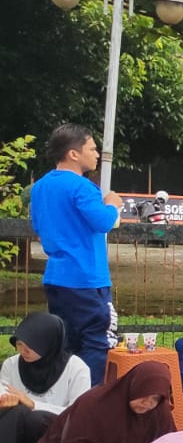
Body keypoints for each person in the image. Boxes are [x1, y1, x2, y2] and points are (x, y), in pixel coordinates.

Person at [27, 125, 122, 385]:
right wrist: (112, 204)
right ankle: (89, 401)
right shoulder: (83, 187)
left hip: (56, 277)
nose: (96, 154)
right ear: (73, 153)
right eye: (91, 148)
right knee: (97, 340)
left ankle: (65, 396)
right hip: (87, 279)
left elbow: (37, 227)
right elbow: (102, 221)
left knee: (65, 341)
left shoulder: (40, 187)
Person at [29, 363, 175, 443]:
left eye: (155, 398)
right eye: (144, 394)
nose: (148, 403)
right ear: (133, 386)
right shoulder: (94, 403)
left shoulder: (159, 412)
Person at [0, 313, 90, 443]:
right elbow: (3, 393)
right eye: (19, 344)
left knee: (33, 418)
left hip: (57, 433)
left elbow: (79, 414)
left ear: (48, 343)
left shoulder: (77, 368)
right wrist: (4, 404)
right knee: (16, 413)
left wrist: (34, 405)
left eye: (31, 346)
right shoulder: (10, 365)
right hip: (15, 434)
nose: (23, 351)